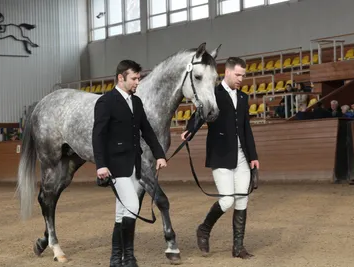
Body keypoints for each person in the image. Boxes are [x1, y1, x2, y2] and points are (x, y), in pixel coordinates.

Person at [181, 57, 259, 259]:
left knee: (242, 199)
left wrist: (253, 156)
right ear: (228, 72)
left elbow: (246, 128)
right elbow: (200, 114)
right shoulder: (213, 93)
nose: (241, 79)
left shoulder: (243, 98)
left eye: (243, 75)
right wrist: (190, 130)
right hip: (221, 155)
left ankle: (238, 248)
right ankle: (204, 229)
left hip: (242, 157)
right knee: (226, 200)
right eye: (238, 75)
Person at [92, 60, 167, 267]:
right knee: (133, 205)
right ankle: (129, 257)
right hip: (115, 166)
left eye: (138, 78)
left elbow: (148, 131)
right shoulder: (106, 102)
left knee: (122, 212)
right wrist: (100, 165)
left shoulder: (136, 102)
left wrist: (160, 154)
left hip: (133, 163)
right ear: (120, 78)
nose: (137, 82)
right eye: (134, 78)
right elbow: (98, 136)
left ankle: (117, 258)